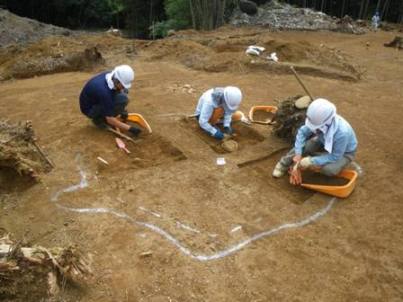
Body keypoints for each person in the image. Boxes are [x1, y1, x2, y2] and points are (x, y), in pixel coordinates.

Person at [272, 98, 358, 184]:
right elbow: (302, 133)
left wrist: (311, 161)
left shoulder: (342, 133)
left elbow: (335, 156)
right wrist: (298, 153)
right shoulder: (317, 120)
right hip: (322, 140)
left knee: (330, 169)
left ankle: (316, 159)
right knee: (306, 147)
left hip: (345, 153)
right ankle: (283, 164)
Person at [79, 64, 141, 137]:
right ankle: (98, 120)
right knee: (120, 102)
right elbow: (110, 119)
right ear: (117, 81)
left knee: (123, 98)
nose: (124, 87)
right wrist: (131, 129)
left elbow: (118, 91)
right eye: (123, 85)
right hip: (90, 109)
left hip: (97, 99)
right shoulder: (104, 92)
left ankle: (109, 112)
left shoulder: (111, 76)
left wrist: (122, 110)